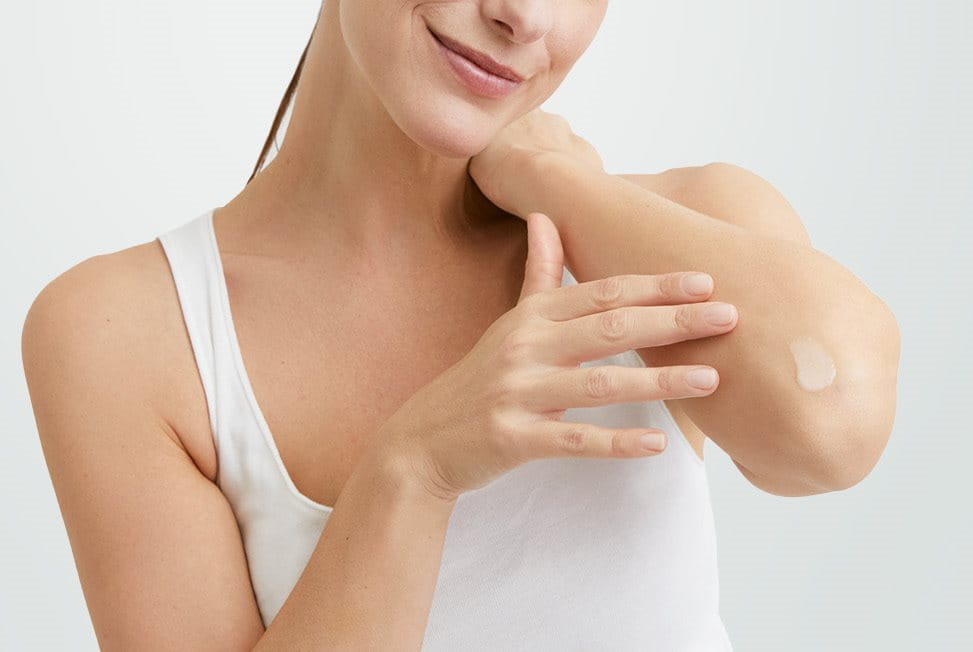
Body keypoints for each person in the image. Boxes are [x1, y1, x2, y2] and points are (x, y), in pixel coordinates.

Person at [22, 1, 759, 649]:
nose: (525, 15)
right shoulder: (126, 334)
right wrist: (411, 470)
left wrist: (556, 181)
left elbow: (837, 427)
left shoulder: (673, 231)